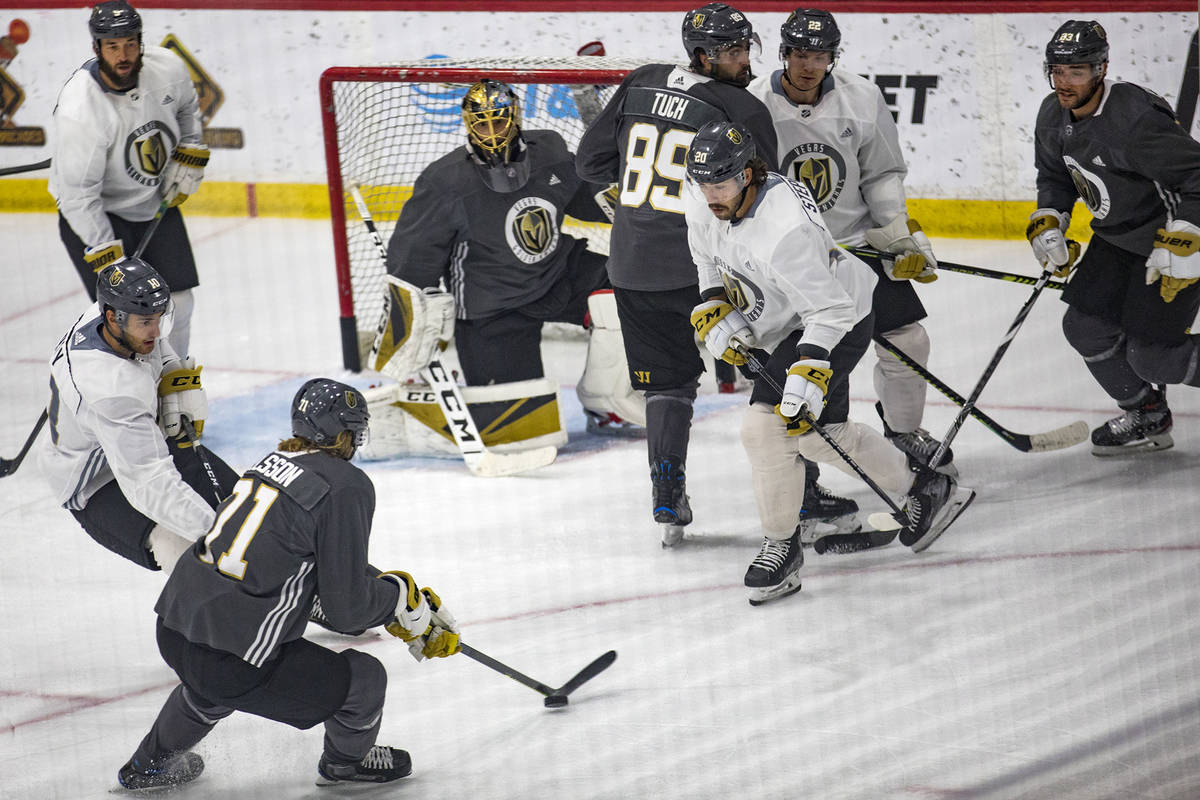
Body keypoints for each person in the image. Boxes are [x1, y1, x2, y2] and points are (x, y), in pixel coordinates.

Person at [578, 2, 863, 548]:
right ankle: (802, 499)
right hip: (709, 265)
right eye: (732, 51)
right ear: (703, 55)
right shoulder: (738, 107)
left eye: (744, 47)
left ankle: (667, 496)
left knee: (667, 385)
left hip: (632, 264)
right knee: (773, 365)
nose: (743, 60)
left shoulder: (640, 81)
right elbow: (765, 197)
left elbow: (589, 164)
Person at [117, 378, 462, 790]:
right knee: (365, 679)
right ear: (344, 433)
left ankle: (148, 765)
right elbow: (346, 612)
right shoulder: (347, 485)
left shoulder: (271, 463)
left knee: (212, 680)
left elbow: (308, 565)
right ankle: (344, 765)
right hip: (229, 659)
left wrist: (398, 596)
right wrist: (399, 604)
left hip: (174, 629)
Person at [683, 121, 974, 604]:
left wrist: (810, 366)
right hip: (787, 322)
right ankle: (924, 488)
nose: (712, 195)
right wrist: (713, 300)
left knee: (766, 429)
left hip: (836, 319)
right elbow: (705, 258)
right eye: (705, 184)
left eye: (723, 183)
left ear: (751, 173)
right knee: (819, 437)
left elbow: (831, 310)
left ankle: (782, 547)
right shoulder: (703, 196)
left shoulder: (784, 233)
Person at [747, 8, 956, 496]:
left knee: (907, 340)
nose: (808, 66)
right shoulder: (754, 102)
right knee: (801, 366)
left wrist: (896, 233)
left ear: (832, 58)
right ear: (784, 53)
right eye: (800, 54)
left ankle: (904, 435)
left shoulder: (861, 96)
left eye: (819, 56)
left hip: (857, 248)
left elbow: (881, 173)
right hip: (791, 256)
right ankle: (806, 476)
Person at [382, 78, 642, 437]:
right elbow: (409, 265)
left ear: (515, 117)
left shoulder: (549, 151)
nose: (492, 132)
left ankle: (603, 403)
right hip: (493, 310)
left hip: (559, 275)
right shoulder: (445, 183)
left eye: (499, 121)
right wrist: (412, 341)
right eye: (482, 123)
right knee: (518, 430)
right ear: (468, 125)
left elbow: (590, 198)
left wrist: (633, 203)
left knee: (637, 292)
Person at [1031, 20, 1200, 455]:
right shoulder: (1052, 114)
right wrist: (1050, 217)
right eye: (1057, 71)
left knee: (1154, 356)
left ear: (1102, 69)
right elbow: (1055, 176)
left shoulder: (1134, 120)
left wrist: (1184, 235)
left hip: (1170, 240)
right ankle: (1147, 413)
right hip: (1117, 239)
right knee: (1084, 329)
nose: (1064, 83)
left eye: (1077, 72)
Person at [38, 257, 237, 574]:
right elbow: (151, 484)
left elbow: (158, 346)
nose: (156, 331)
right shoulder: (112, 389)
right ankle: (193, 619)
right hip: (95, 482)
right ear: (112, 319)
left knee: (245, 506)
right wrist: (219, 536)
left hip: (141, 438)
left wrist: (174, 377)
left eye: (160, 317)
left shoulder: (109, 316)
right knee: (183, 548)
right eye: (146, 322)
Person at [48, 0, 209, 357]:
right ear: (96, 48)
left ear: (141, 42)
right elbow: (78, 198)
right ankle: (132, 397)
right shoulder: (81, 110)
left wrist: (190, 152)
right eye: (112, 46)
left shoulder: (167, 66)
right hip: (97, 216)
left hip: (153, 204)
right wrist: (111, 257)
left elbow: (186, 108)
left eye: (130, 44)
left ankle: (174, 385)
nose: (123, 55)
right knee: (129, 321)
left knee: (179, 303)